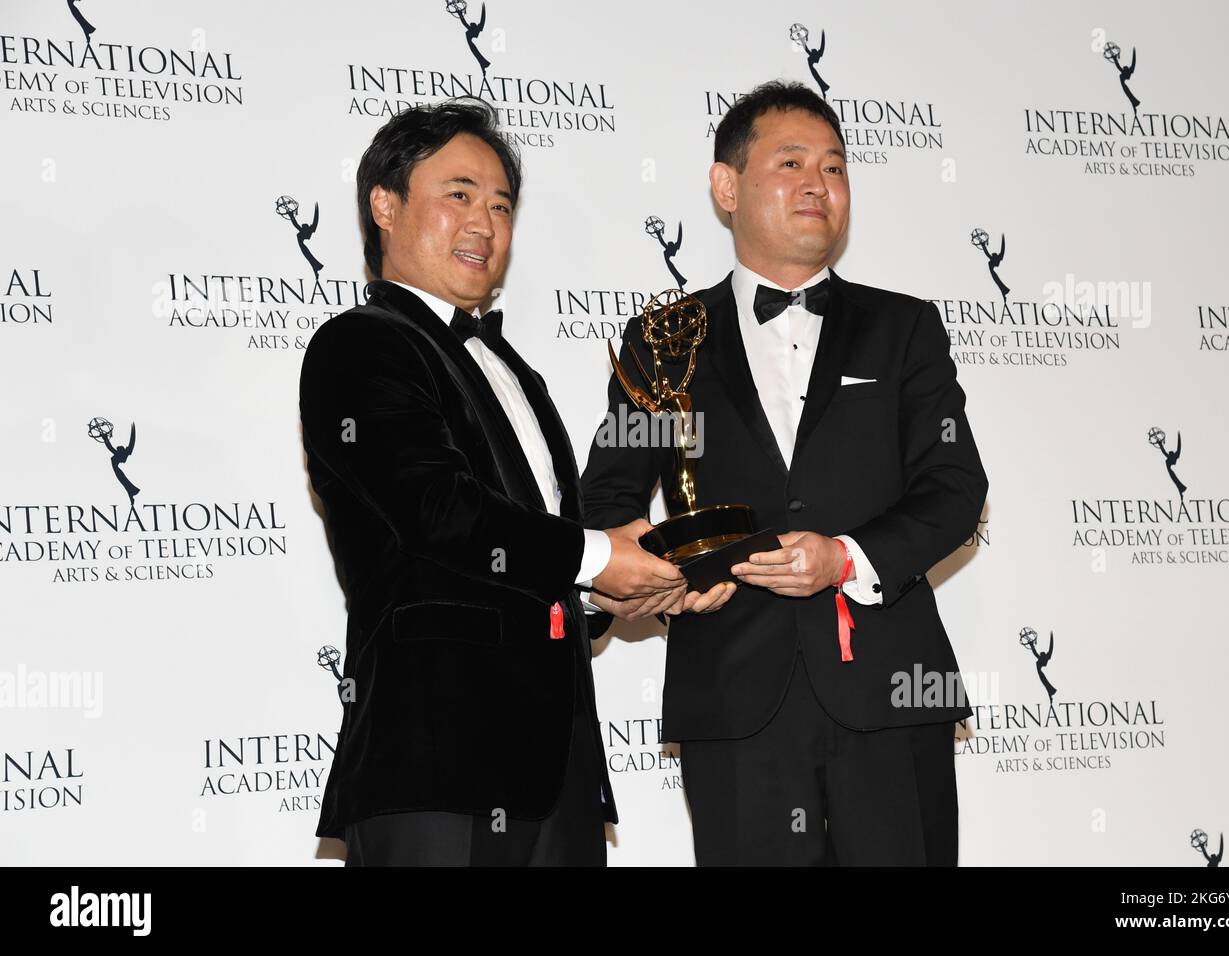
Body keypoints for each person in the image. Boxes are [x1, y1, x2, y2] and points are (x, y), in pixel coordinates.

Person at [581, 81, 988, 866]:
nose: (818, 183)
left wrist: (845, 557)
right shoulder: (666, 338)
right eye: (791, 161)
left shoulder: (904, 328)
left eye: (834, 167)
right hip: (733, 697)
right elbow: (609, 501)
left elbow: (954, 486)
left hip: (893, 692)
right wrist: (658, 578)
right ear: (726, 186)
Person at [300, 99, 684, 866]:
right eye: (459, 194)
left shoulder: (516, 371)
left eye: (501, 205)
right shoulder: (360, 345)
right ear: (384, 204)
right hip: (437, 761)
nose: (484, 222)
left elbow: (529, 553)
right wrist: (599, 557)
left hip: (562, 769)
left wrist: (601, 594)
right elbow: (437, 511)